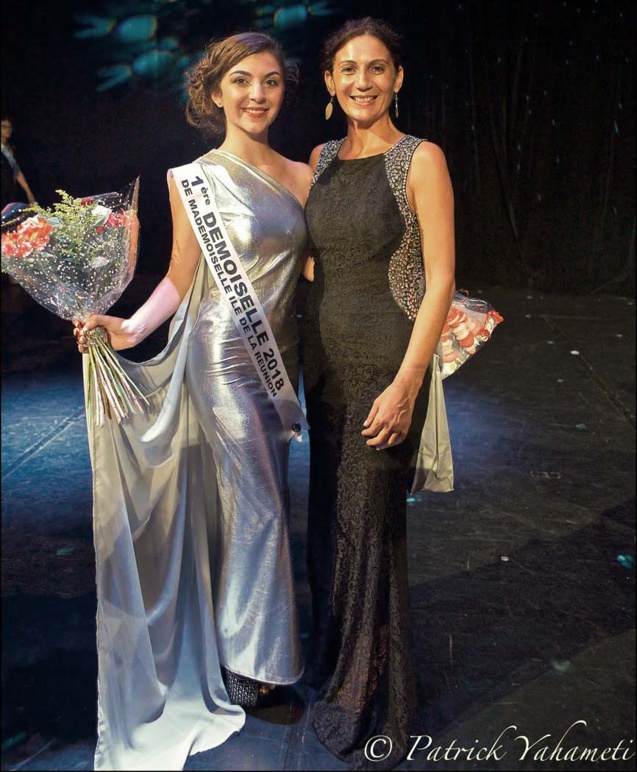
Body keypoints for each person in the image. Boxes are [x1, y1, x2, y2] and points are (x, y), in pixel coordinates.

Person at [73, 31, 313, 770]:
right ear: (214, 94)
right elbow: (179, 277)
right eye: (241, 81)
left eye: (270, 81)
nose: (256, 94)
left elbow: (314, 274)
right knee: (263, 505)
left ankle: (240, 635)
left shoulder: (306, 176)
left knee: (254, 500)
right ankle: (258, 663)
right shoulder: (190, 178)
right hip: (221, 356)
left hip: (283, 360)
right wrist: (128, 327)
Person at [302, 17, 456, 769]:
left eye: (376, 67)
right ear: (329, 83)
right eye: (346, 68)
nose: (361, 80)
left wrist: (404, 384)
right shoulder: (321, 157)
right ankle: (342, 664)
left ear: (397, 78)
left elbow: (440, 281)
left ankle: (364, 694)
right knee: (335, 519)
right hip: (322, 367)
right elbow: (311, 267)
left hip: (384, 364)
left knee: (366, 524)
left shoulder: (418, 159)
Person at [1, 116, 37, 209]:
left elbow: (16, 170)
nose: (8, 130)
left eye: (9, 127)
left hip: (9, 191)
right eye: (4, 127)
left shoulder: (10, 148)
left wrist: (28, 191)